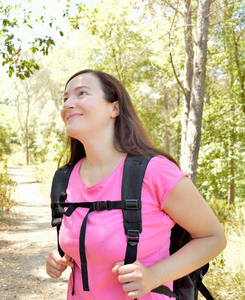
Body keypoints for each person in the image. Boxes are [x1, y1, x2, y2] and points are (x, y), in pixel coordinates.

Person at [45, 69, 226, 299]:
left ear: (114, 108)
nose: (68, 104)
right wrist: (61, 257)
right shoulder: (64, 179)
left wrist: (154, 276)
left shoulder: (155, 172)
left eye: (82, 93)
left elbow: (213, 238)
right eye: (65, 98)